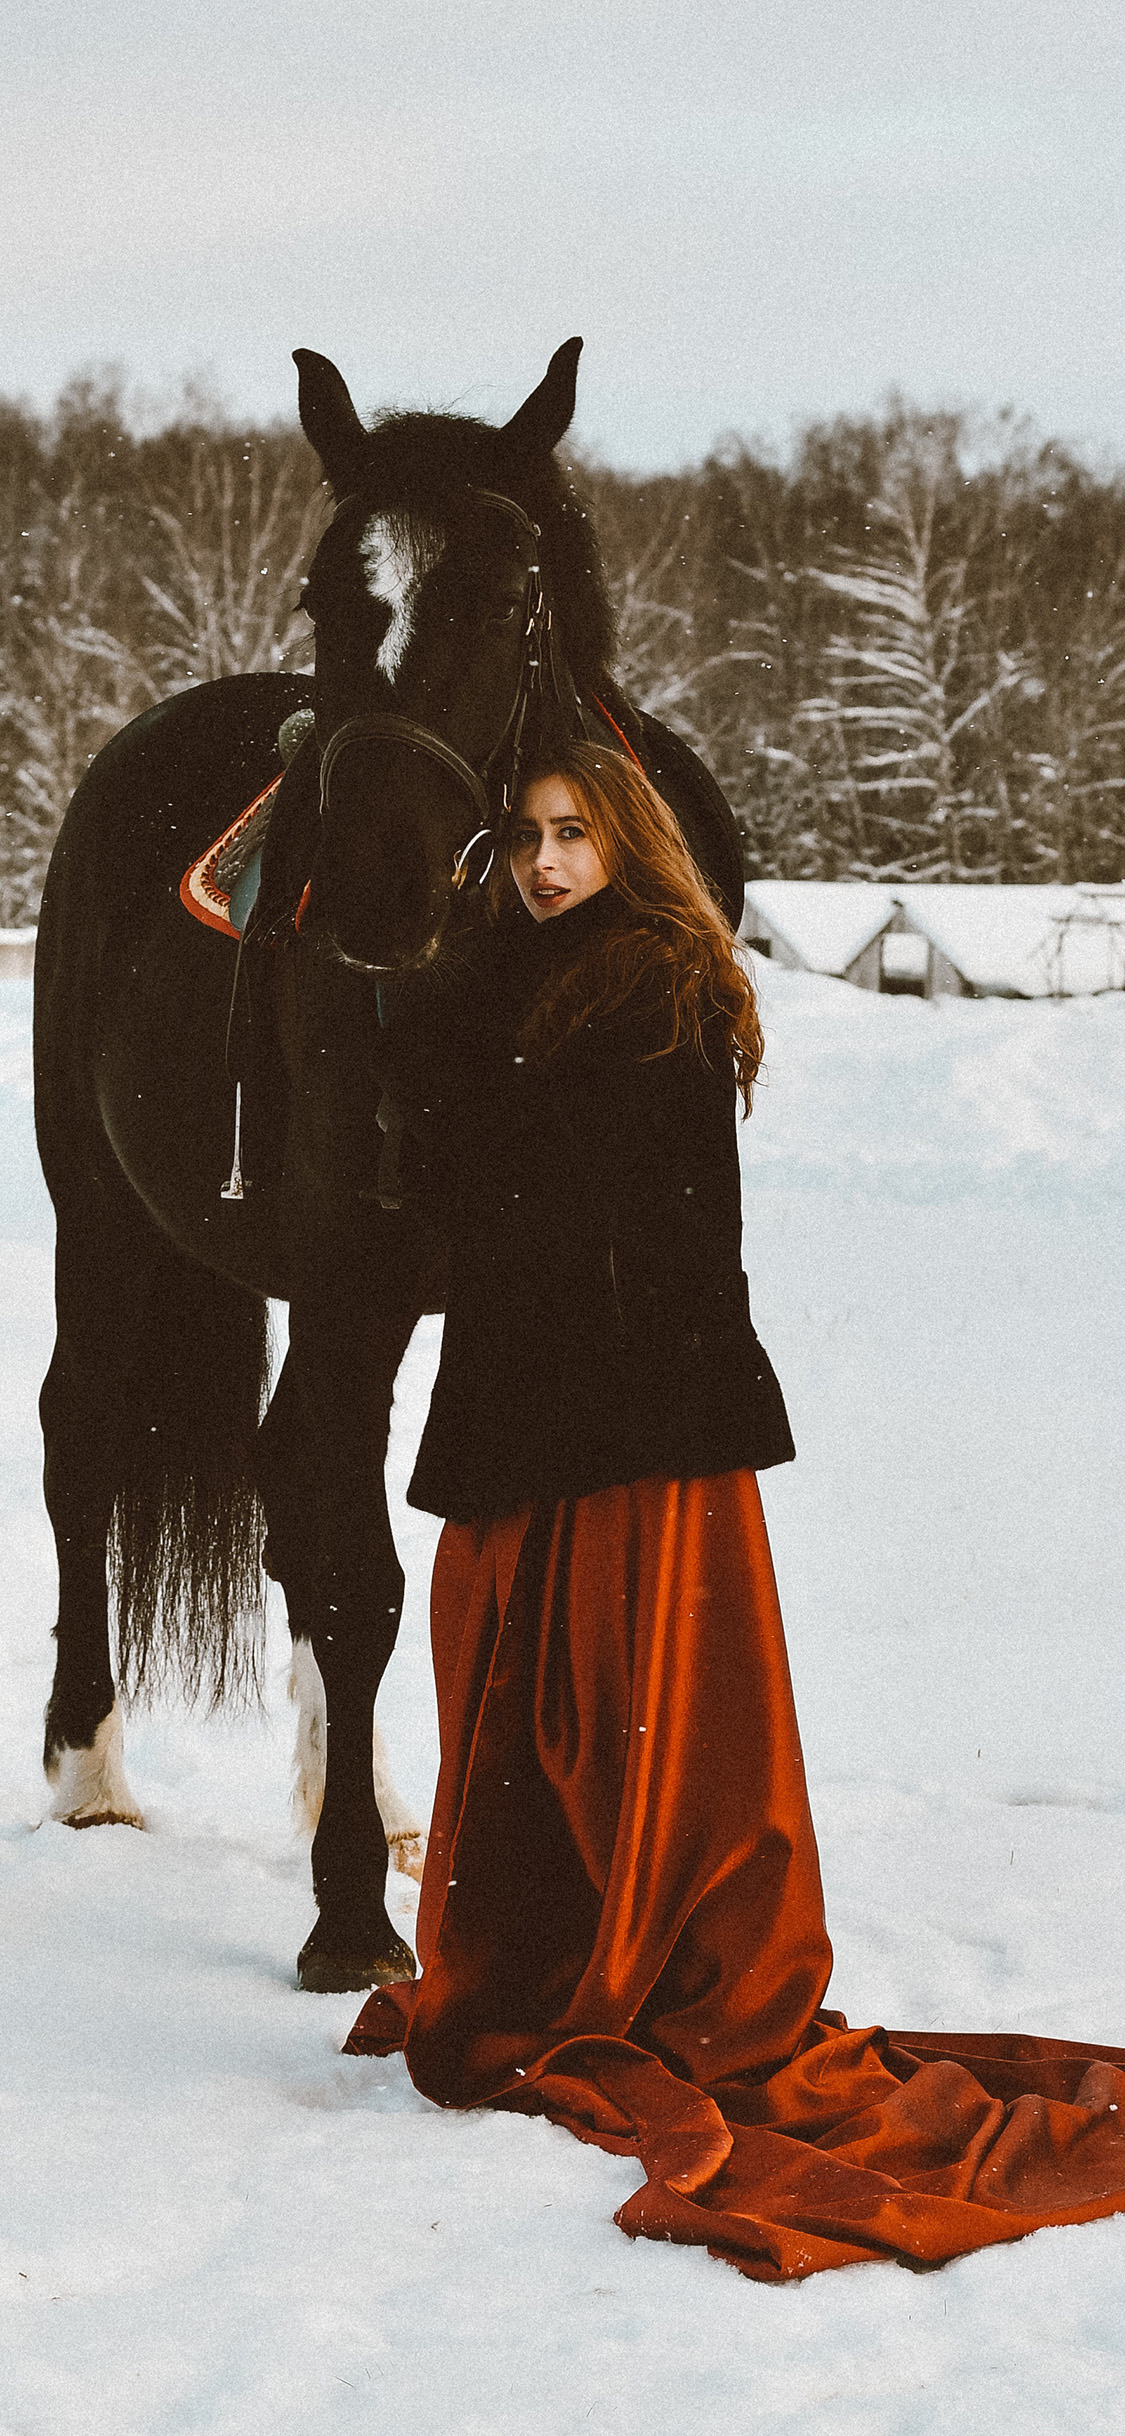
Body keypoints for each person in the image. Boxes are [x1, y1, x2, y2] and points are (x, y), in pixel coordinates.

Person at [346, 743, 1125, 2283]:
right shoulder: (524, 973)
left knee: (627, 1720)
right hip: (534, 1412)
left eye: (574, 834)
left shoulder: (648, 982)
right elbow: (453, 1181)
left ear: (629, 842)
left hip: (628, 1424)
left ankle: (622, 1963)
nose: (546, 862)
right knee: (518, 1709)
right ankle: (550, 1953)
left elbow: (583, 1205)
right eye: (523, 839)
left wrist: (445, 1073)